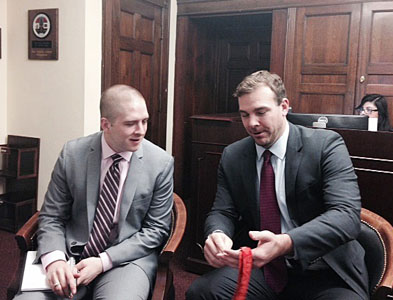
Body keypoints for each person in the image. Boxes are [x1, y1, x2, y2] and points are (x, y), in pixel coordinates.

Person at [186, 70, 369, 300]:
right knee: (201, 292)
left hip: (323, 270)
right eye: (244, 115)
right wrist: (217, 234)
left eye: (261, 112)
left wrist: (285, 243)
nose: (252, 123)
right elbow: (223, 210)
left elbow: (346, 216)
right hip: (264, 269)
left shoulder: (325, 146)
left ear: (284, 107)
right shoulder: (233, 155)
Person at [14, 84, 174, 300]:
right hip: (71, 254)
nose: (141, 130)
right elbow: (52, 216)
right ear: (105, 124)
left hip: (126, 260)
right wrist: (55, 260)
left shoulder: (160, 163)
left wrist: (103, 261)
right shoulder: (72, 154)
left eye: (144, 121)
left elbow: (156, 230)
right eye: (130, 124)